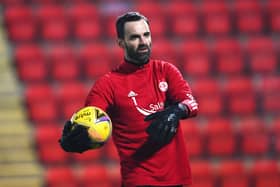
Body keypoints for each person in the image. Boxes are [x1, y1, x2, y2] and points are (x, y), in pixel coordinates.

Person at [59, 12, 198, 187]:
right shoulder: (108, 84)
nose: (143, 42)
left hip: (179, 178)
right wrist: (82, 134)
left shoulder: (166, 71)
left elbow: (191, 103)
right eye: (134, 37)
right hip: (139, 179)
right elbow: (92, 117)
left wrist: (178, 110)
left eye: (146, 35)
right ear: (120, 43)